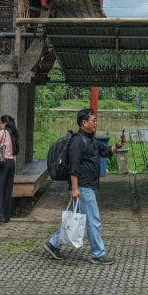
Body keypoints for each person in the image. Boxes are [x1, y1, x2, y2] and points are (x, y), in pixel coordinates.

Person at [44, 108, 125, 265]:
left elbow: (107, 151)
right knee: (93, 221)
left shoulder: (92, 140)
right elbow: (73, 168)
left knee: (76, 219)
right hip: (83, 187)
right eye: (93, 120)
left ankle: (53, 244)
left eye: (95, 120)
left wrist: (119, 145)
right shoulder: (77, 142)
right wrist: (75, 189)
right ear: (84, 122)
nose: (95, 123)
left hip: (88, 187)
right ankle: (98, 253)